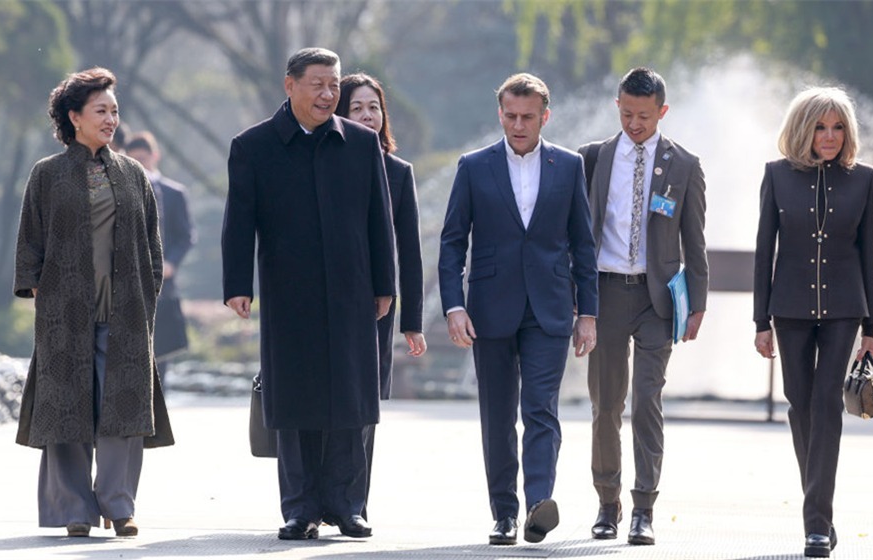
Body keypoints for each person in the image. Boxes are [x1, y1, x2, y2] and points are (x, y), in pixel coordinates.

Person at [221, 48, 395, 541]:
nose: (328, 94)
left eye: (334, 85)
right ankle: (300, 508)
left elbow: (378, 221)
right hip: (287, 292)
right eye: (317, 84)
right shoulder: (254, 145)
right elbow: (239, 221)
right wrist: (237, 285)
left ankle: (347, 505)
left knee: (349, 399)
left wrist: (385, 285)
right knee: (294, 400)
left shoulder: (360, 143)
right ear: (290, 85)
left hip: (351, 291)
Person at [438, 73, 599, 546]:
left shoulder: (568, 165)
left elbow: (583, 245)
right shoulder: (474, 166)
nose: (518, 125)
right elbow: (452, 242)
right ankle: (504, 513)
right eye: (510, 116)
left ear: (545, 116)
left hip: (550, 308)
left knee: (541, 409)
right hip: (489, 308)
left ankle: (538, 505)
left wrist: (587, 313)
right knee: (497, 415)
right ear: (500, 114)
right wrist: (453, 306)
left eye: (528, 117)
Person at [13, 67, 173, 538]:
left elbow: (152, 245)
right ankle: (75, 510)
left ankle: (119, 506)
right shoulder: (47, 174)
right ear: (74, 117)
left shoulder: (133, 174)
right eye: (101, 111)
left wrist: (146, 296)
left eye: (114, 111)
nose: (110, 120)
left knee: (124, 409)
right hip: (65, 315)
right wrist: (41, 293)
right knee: (66, 409)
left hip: (126, 315)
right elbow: (30, 243)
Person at [577, 67, 708, 546]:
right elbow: (577, 233)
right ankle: (606, 502)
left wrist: (697, 304)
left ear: (662, 112)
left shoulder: (684, 165)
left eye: (645, 116)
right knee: (606, 404)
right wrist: (578, 301)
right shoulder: (592, 158)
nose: (635, 124)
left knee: (647, 400)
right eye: (627, 114)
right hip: (606, 293)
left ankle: (643, 507)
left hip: (657, 301)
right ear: (618, 106)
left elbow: (695, 240)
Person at [753, 87, 873, 558]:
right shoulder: (776, 175)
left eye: (838, 127)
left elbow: (867, 256)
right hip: (788, 309)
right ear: (803, 129)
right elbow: (764, 251)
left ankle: (816, 526)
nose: (829, 136)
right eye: (821, 126)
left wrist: (870, 329)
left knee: (826, 404)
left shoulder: (864, 179)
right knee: (800, 404)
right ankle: (820, 510)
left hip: (845, 308)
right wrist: (760, 320)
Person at [334, 72, 426, 520]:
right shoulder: (325, 164)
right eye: (356, 107)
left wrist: (413, 323)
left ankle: (354, 503)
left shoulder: (398, 172)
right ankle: (320, 499)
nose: (367, 115)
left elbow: (410, 252)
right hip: (327, 299)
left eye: (374, 107)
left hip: (376, 307)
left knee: (363, 406)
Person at [126, 131, 197, 383]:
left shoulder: (174, 193)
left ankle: (158, 404)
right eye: (133, 159)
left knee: (160, 354)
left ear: (155, 156)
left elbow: (185, 236)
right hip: (125, 284)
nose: (139, 164)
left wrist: (171, 264)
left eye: (143, 159)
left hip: (162, 285)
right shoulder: (118, 191)